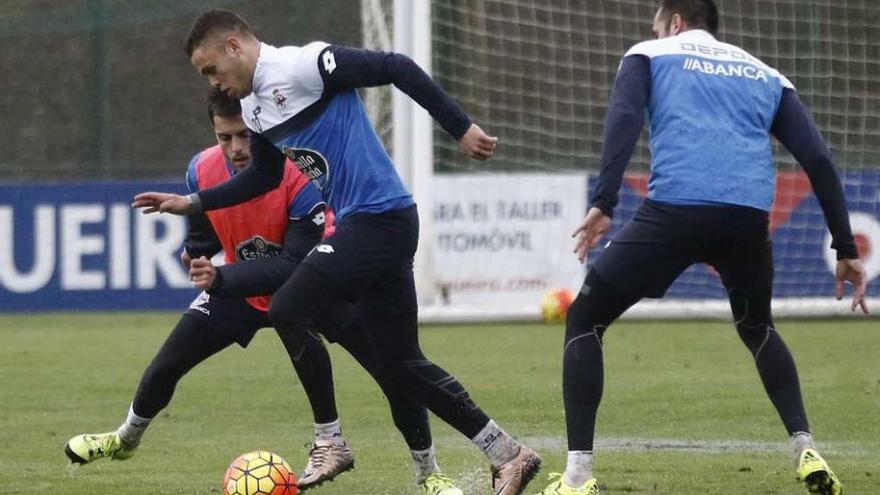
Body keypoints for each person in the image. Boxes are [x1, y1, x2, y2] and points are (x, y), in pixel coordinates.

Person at [133, 10, 540, 495]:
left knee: (287, 306)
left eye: (211, 69)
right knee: (400, 364)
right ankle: (508, 454)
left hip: (380, 219)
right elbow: (263, 177)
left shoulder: (304, 66)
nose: (213, 81)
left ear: (235, 47)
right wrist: (193, 203)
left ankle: (331, 440)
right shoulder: (259, 109)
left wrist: (460, 126)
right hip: (371, 226)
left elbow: (395, 66)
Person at [533, 2, 869, 494]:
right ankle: (805, 446)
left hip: (675, 212)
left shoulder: (649, 53)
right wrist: (844, 245)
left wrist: (604, 201)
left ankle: (579, 476)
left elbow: (624, 118)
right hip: (747, 220)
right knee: (758, 327)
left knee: (586, 317)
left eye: (655, 25)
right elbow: (816, 155)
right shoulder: (767, 75)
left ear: (673, 23)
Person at [68, 90, 464, 495]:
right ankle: (124, 439)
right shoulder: (201, 170)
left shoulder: (298, 173)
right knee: (167, 364)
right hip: (244, 291)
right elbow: (204, 231)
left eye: (244, 136)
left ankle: (429, 473)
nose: (236, 149)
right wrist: (196, 253)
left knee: (395, 374)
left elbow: (294, 263)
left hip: (318, 289)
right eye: (224, 138)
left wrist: (221, 279)